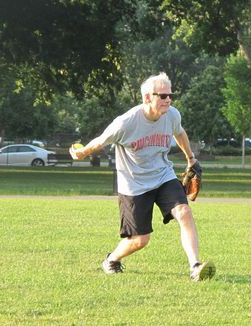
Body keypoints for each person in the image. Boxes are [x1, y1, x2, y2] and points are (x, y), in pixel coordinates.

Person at [69, 72, 216, 281]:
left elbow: (180, 133)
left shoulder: (172, 115)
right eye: (163, 96)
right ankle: (112, 259)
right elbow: (100, 141)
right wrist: (82, 153)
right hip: (134, 184)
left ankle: (195, 266)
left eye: (170, 95)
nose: (168, 100)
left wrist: (191, 159)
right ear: (147, 97)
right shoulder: (126, 123)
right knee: (140, 240)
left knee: (184, 212)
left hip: (163, 175)